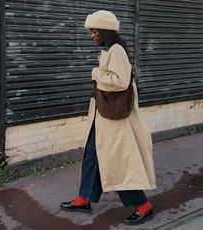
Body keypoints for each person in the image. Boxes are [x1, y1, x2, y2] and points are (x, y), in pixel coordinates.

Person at [60, 10, 156, 225]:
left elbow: (120, 82)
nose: (92, 34)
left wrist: (95, 73)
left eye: (95, 31)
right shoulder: (109, 50)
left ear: (105, 30)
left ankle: (143, 205)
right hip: (103, 115)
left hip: (115, 119)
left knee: (117, 160)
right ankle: (84, 198)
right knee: (93, 155)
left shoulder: (117, 51)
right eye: (91, 31)